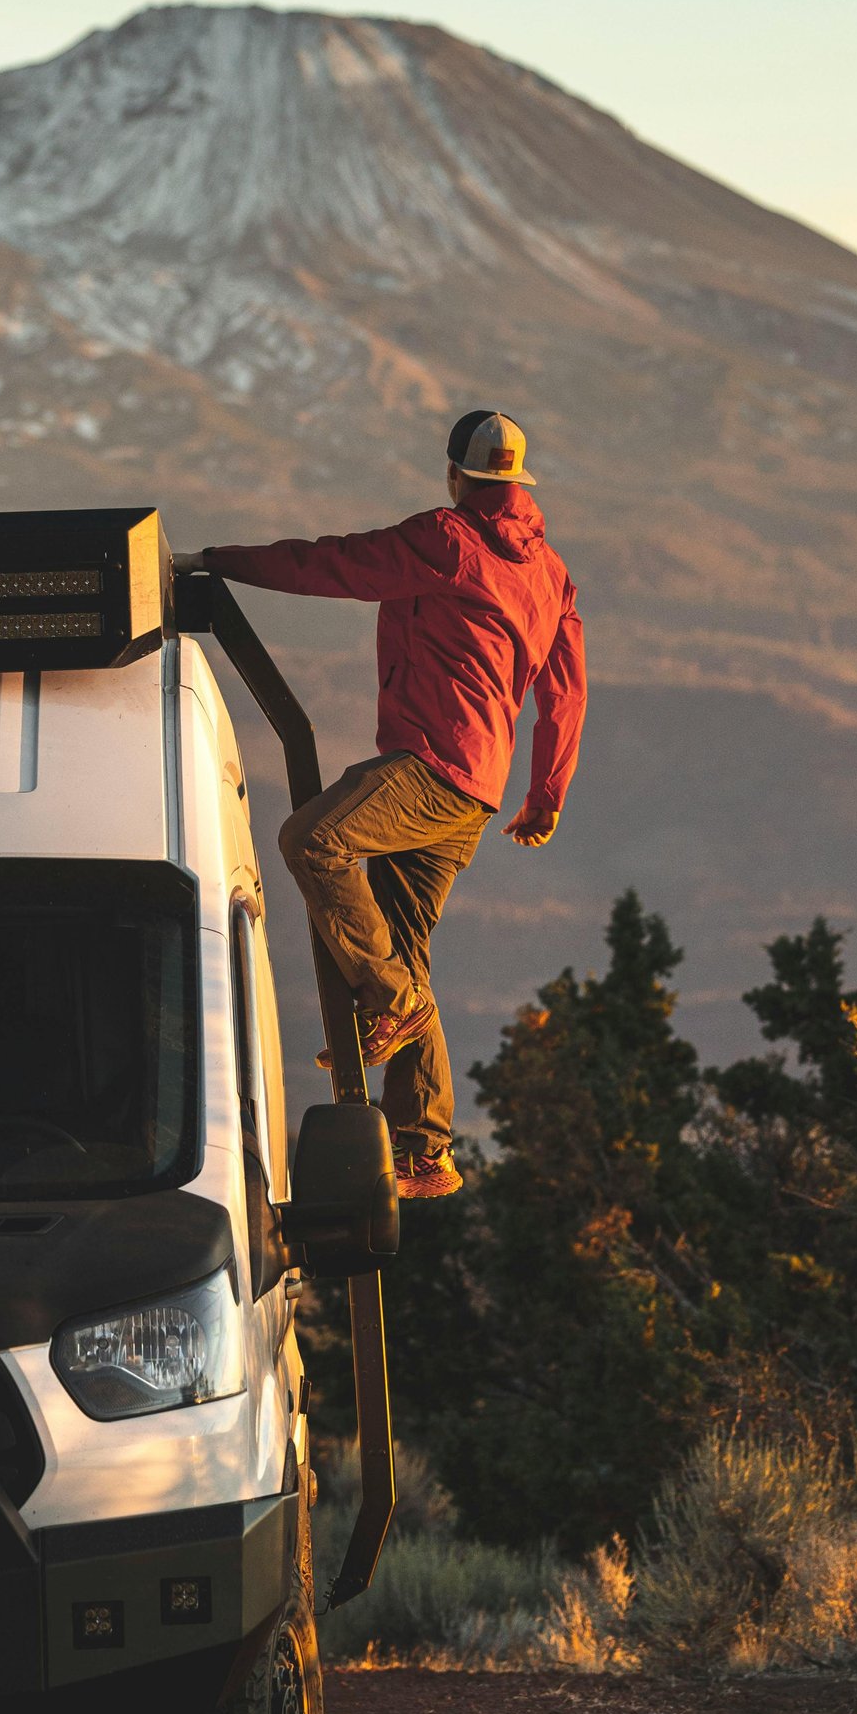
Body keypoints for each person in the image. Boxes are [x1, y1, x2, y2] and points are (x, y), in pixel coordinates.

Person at [201, 408, 585, 1202]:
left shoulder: (446, 540)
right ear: (516, 481)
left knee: (314, 840)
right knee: (403, 939)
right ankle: (424, 1146)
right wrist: (544, 796)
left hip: (432, 768)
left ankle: (394, 1002)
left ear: (456, 474)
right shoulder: (550, 572)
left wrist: (219, 562)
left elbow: (334, 565)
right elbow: (565, 694)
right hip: (480, 788)